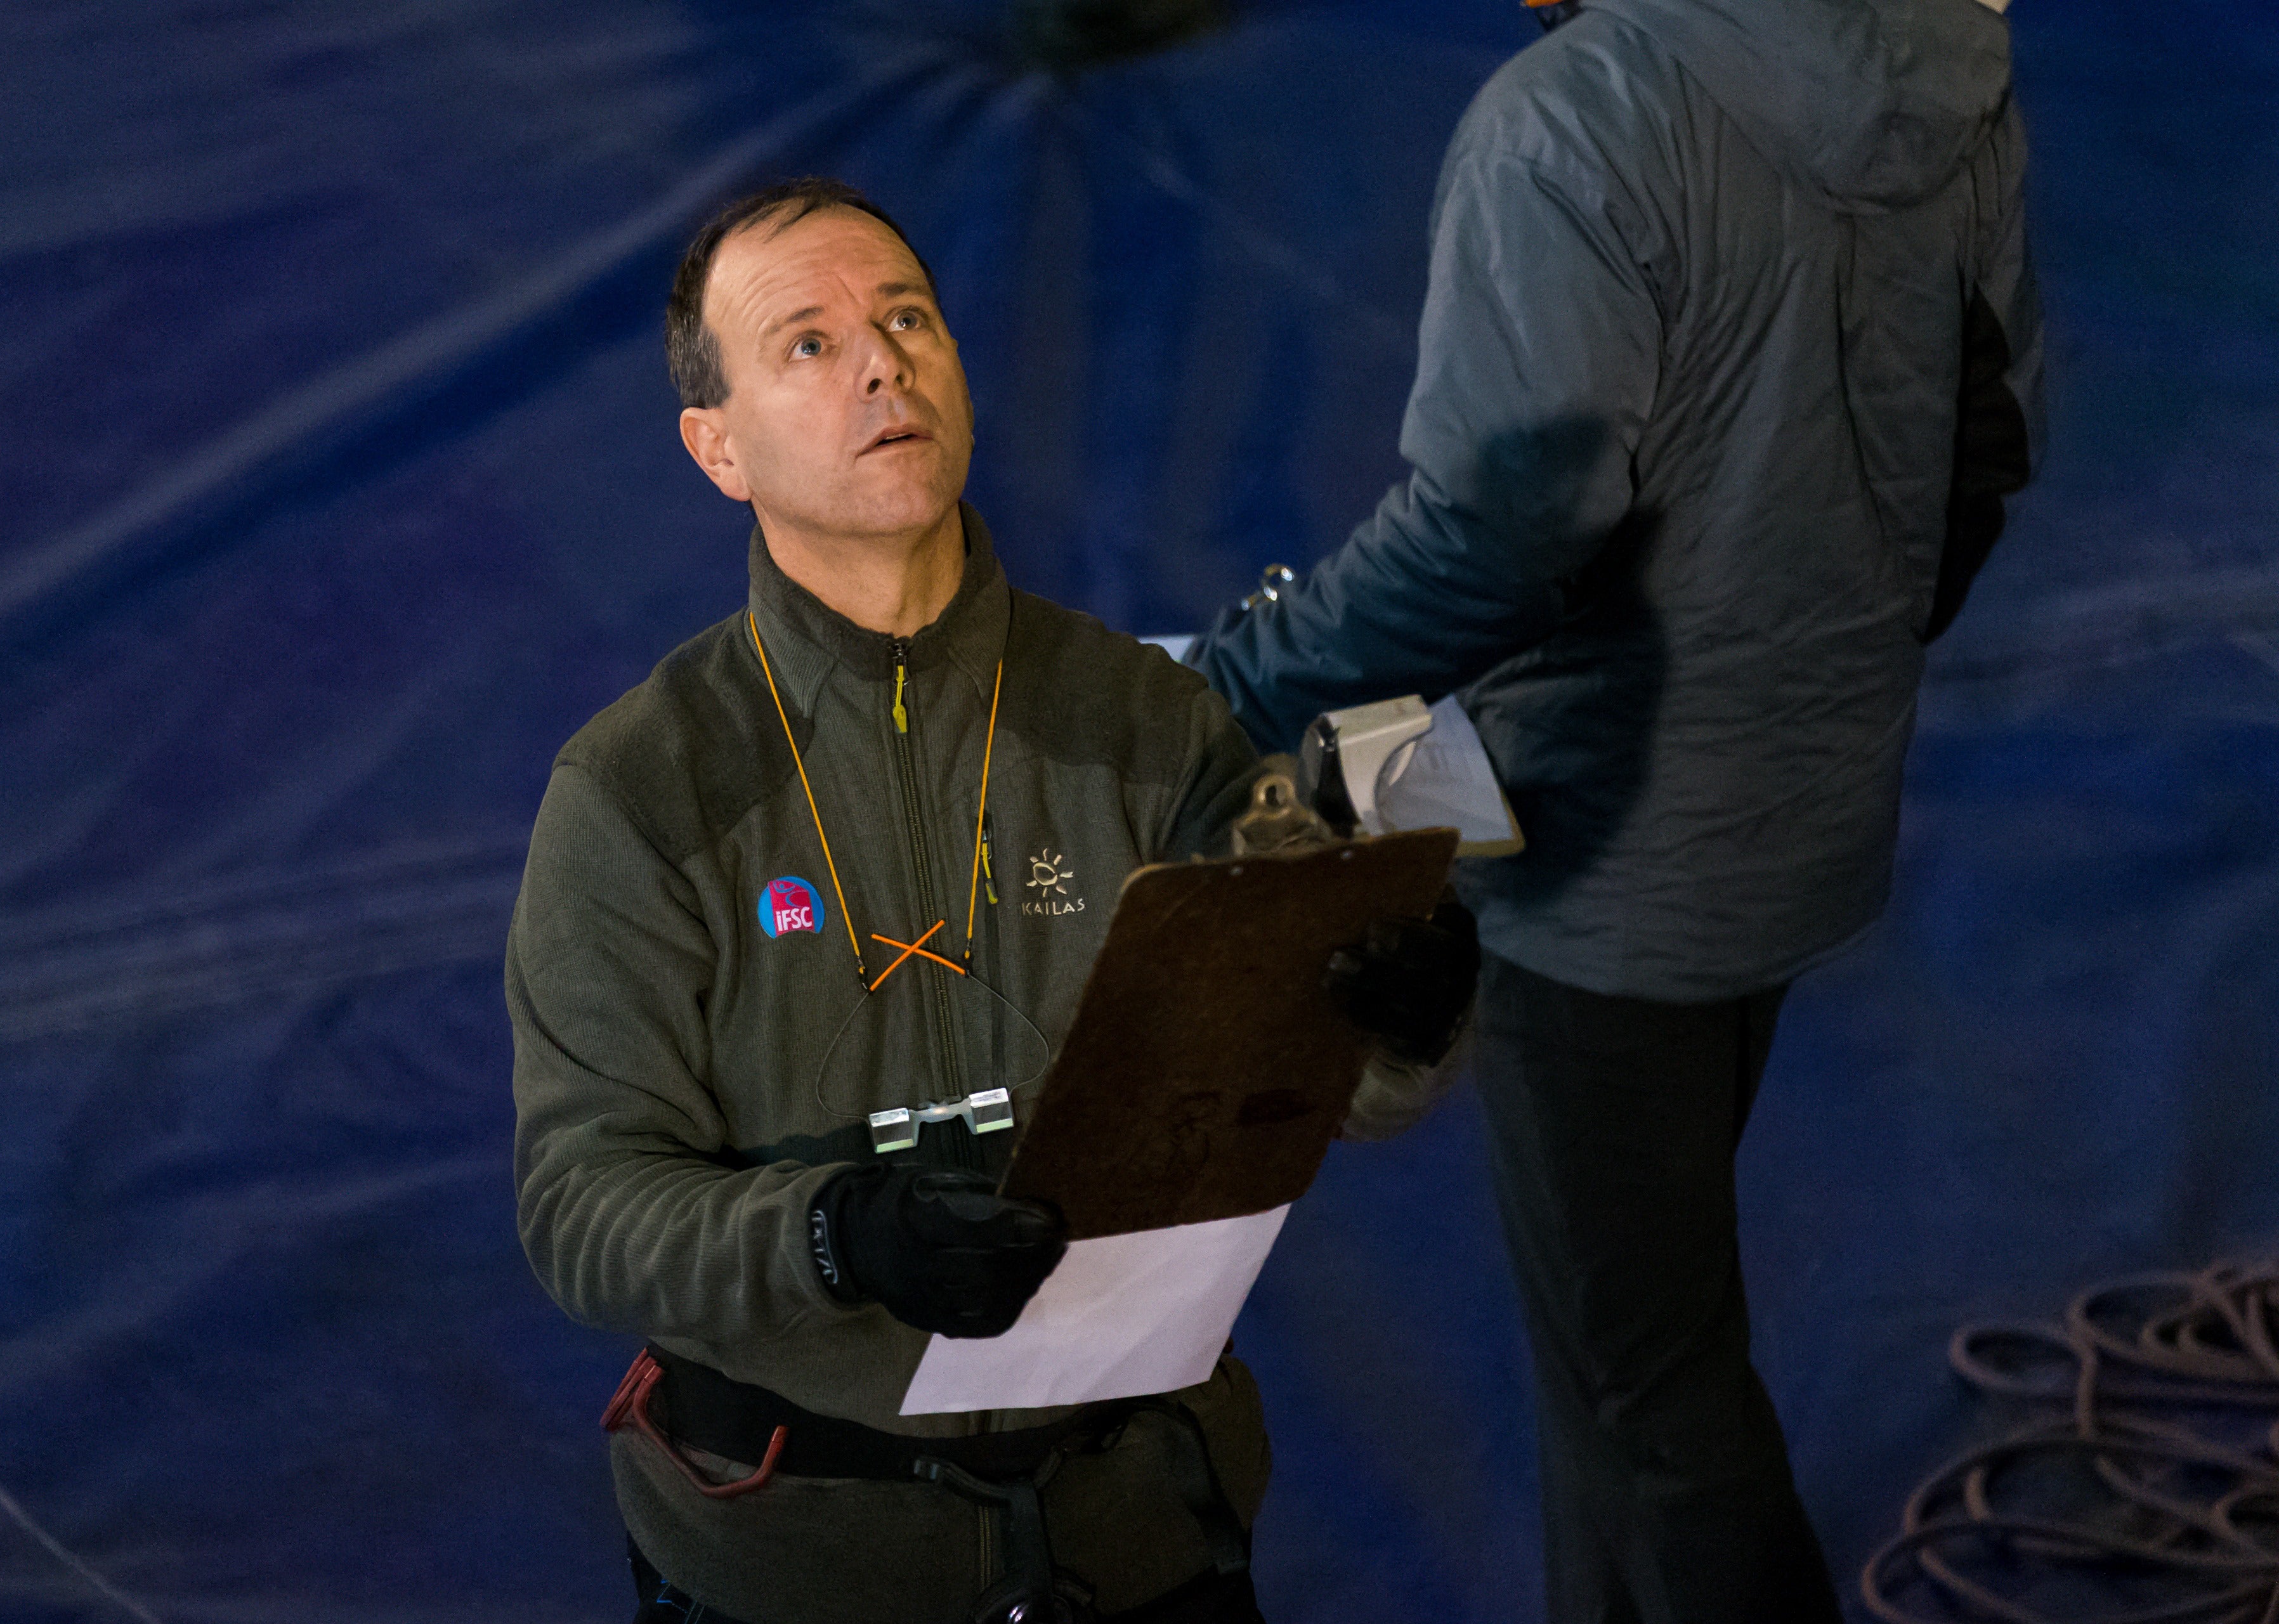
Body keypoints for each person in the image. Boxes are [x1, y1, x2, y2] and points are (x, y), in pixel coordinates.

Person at [507, 178, 1471, 1624]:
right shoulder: (639, 789)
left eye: (906, 319)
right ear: (718, 448)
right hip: (796, 1555)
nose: (882, 361)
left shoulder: (1142, 722)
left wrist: (1400, 1022)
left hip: (1133, 1537)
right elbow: (581, 1208)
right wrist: (835, 1235)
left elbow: (1337, 1088)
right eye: (809, 346)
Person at [1184, 1, 2043, 1620]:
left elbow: (1497, 534)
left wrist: (1235, 685)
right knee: (1614, 1355)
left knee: (1653, 1391)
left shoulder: (1566, 119)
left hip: (1605, 864)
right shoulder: (1944, 72)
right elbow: (1981, 463)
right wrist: (1798, 685)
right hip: (1798, 816)